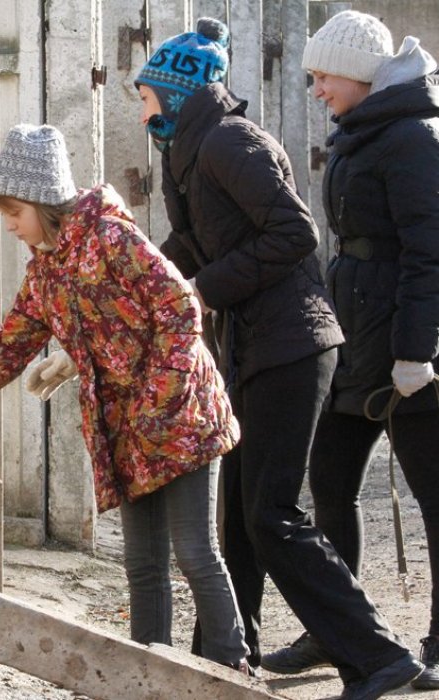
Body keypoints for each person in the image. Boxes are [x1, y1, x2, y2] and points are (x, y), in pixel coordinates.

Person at [0, 123, 252, 672]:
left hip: (182, 417)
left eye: (14, 212)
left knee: (195, 552)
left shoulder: (114, 238)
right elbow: (2, 356)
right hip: (123, 427)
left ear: (43, 200)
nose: (9, 225)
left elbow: (181, 311)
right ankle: (146, 674)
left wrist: (158, 402)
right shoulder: (44, 271)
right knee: (142, 563)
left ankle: (230, 669)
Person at [134, 17, 423, 699]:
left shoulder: (229, 141)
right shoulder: (192, 144)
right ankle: (226, 661)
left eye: (145, 93)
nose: (140, 106)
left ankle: (378, 656)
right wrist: (142, 284)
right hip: (258, 346)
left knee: (271, 515)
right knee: (238, 513)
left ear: (175, 93)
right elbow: (190, 239)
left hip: (293, 345)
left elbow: (296, 232)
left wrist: (203, 288)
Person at [259, 11, 439, 692]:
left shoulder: (414, 139)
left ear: (360, 73)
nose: (315, 88)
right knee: (329, 480)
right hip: (358, 340)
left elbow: (430, 254)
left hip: (406, 353)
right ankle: (338, 634)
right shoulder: (364, 132)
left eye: (323, 74)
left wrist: (416, 353)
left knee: (434, 499)